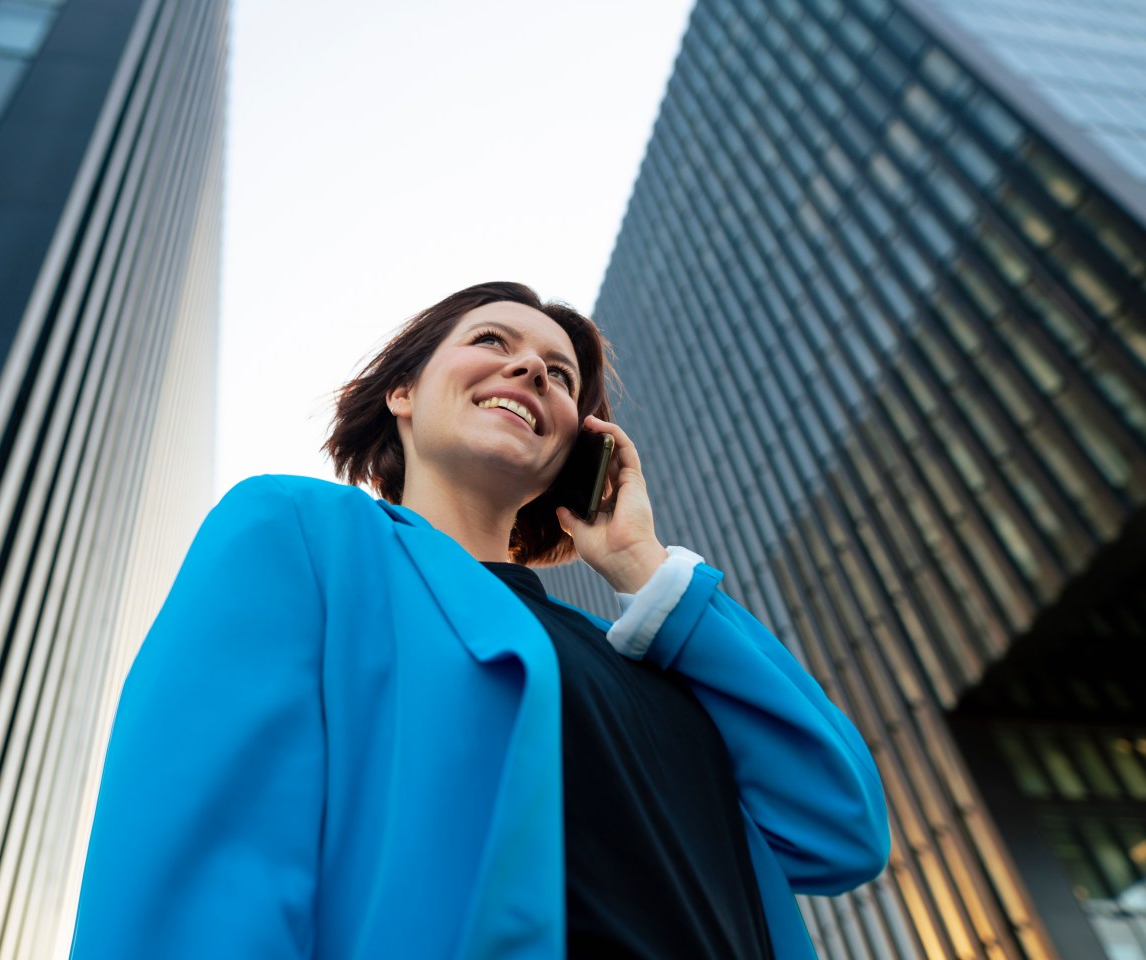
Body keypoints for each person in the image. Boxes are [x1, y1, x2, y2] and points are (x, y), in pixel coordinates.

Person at [70, 281, 890, 959]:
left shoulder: (645, 652)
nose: (531, 366)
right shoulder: (303, 533)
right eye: (494, 341)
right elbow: (200, 864)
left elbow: (840, 826)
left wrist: (642, 563)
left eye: (561, 376)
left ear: (578, 448)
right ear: (402, 392)